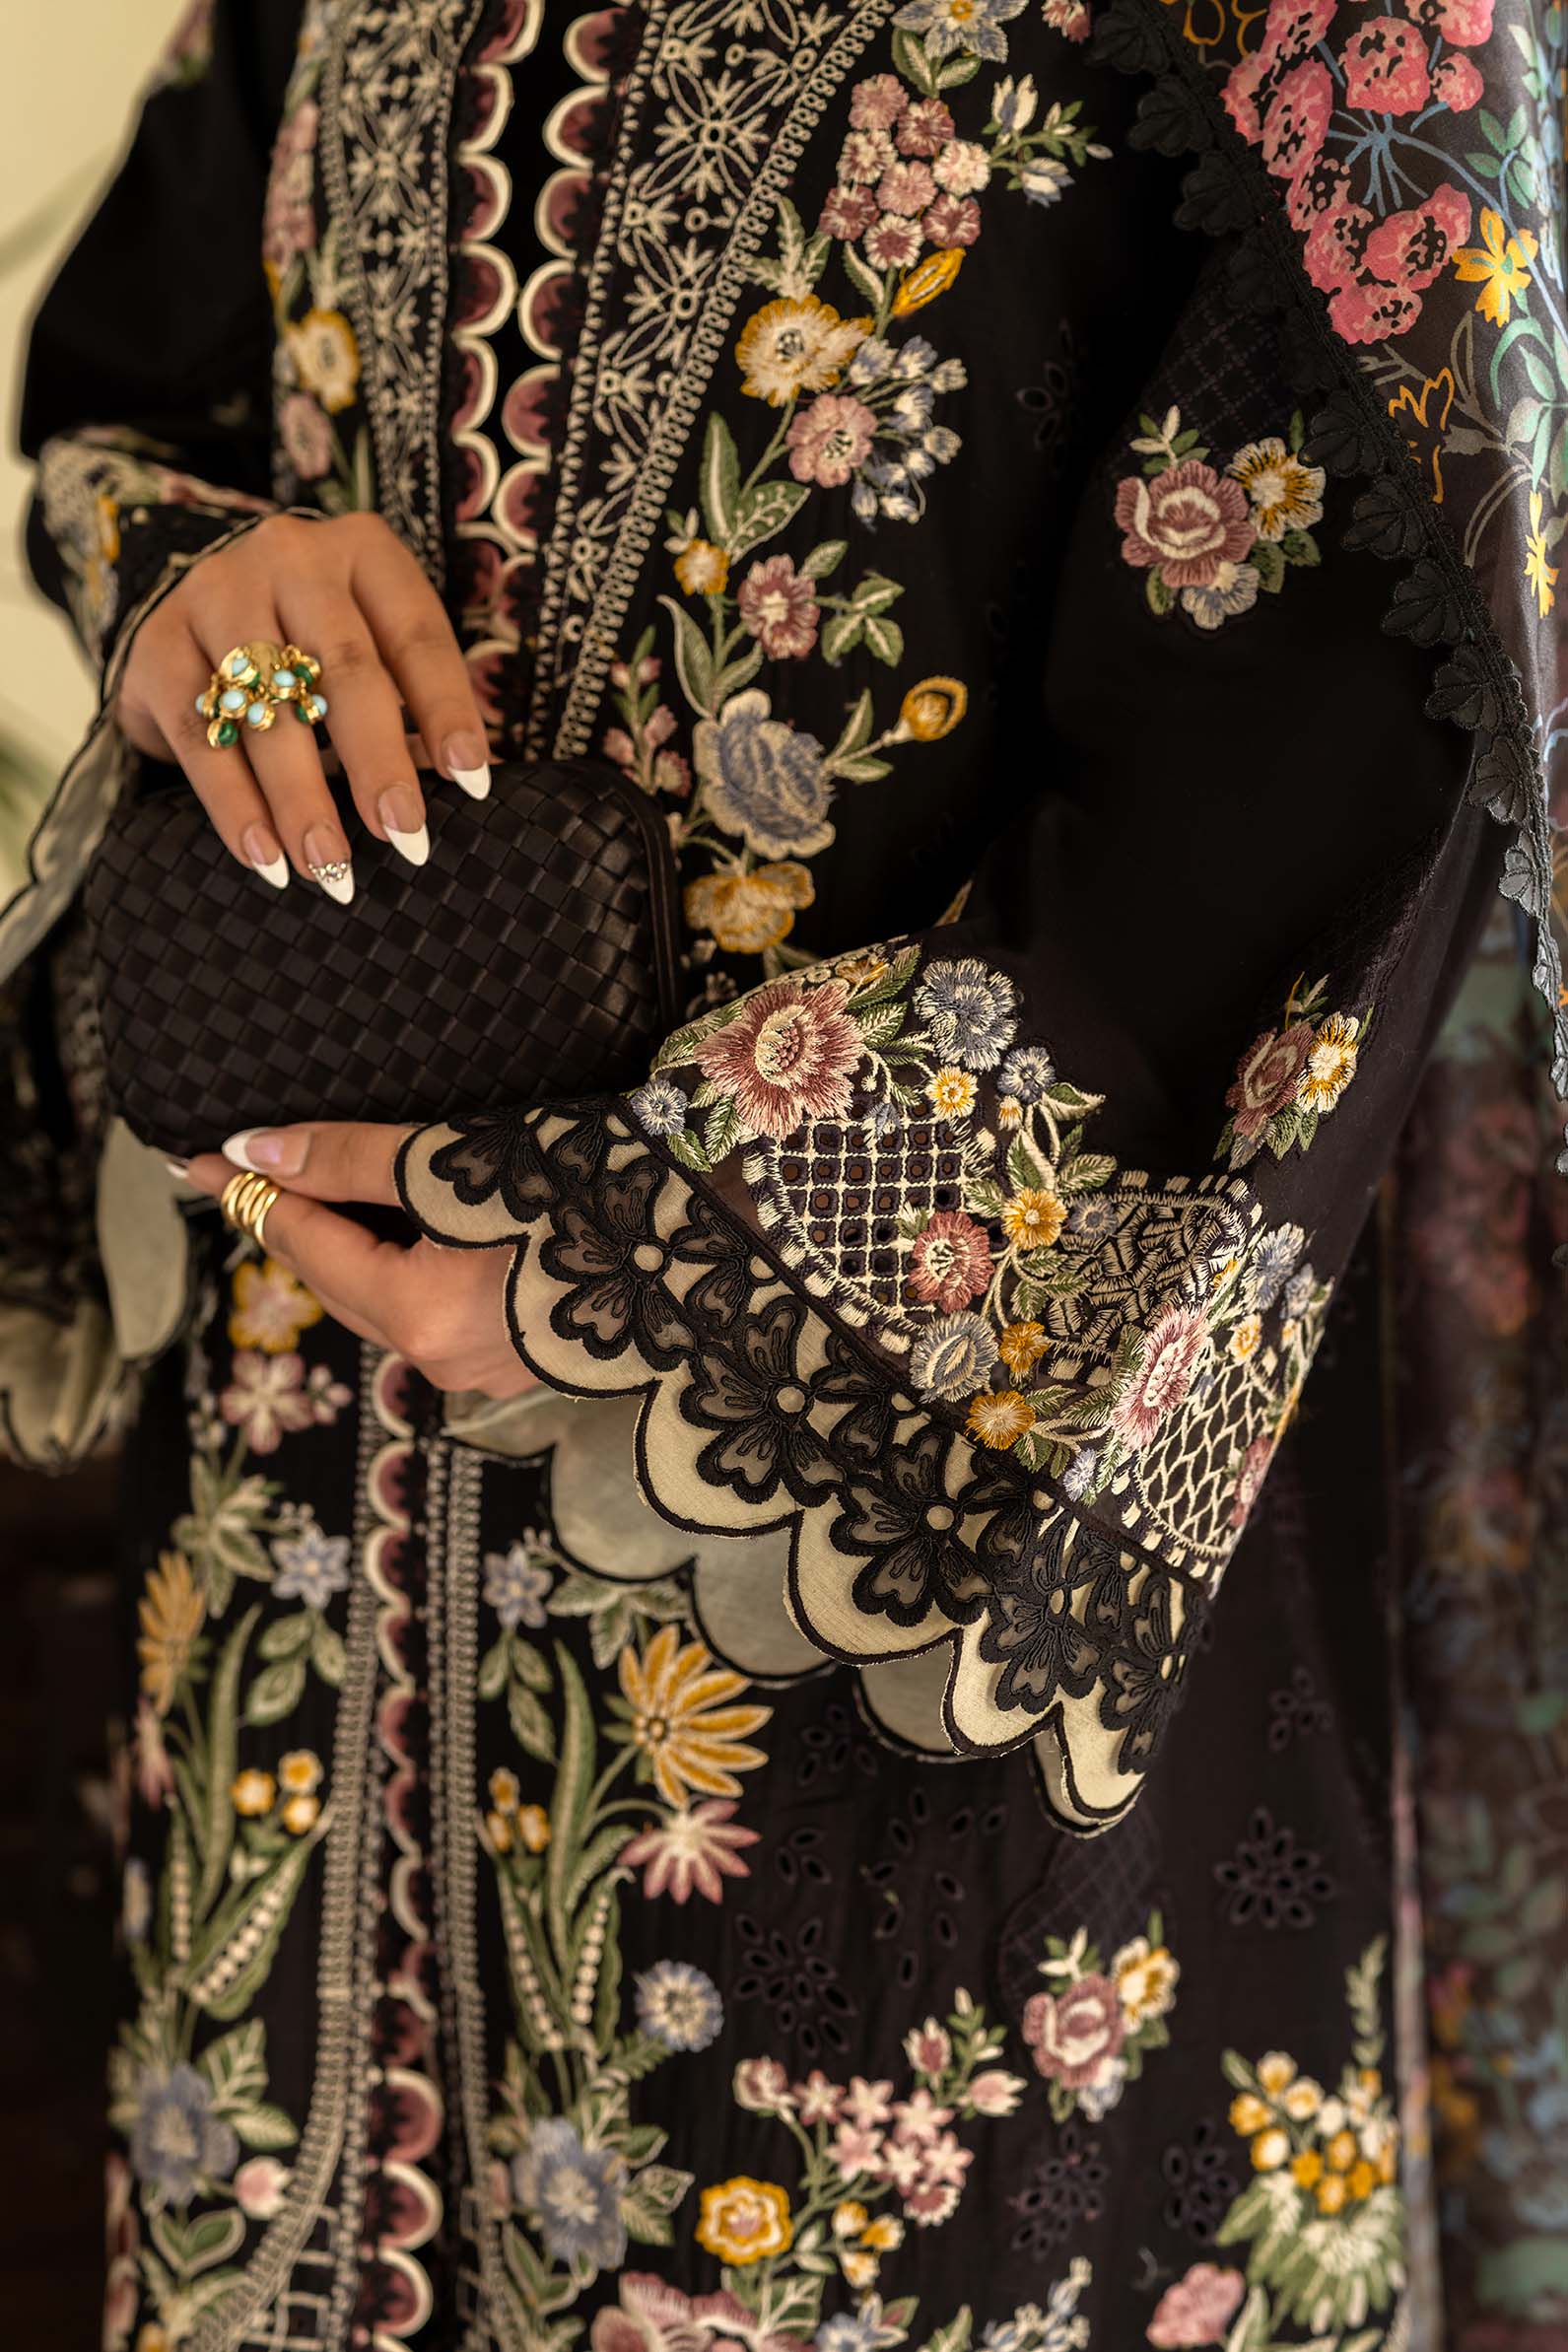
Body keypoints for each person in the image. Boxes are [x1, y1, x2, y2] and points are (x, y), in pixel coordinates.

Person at [11, 0, 1567, 2340]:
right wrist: (202, 597)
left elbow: (1319, 756)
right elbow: (136, 389)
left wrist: (644, 1277)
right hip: (292, 1525)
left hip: (881, 1580)